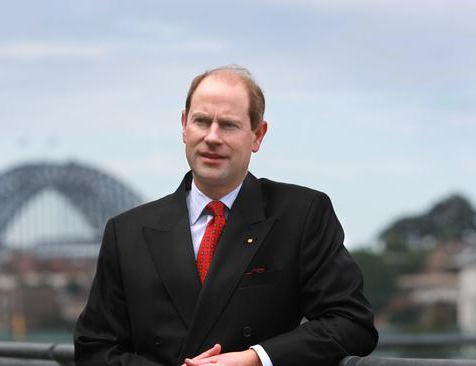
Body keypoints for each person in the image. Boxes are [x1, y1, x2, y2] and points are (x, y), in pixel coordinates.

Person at [74, 65, 378, 366]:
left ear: (258, 135)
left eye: (229, 125)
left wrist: (256, 359)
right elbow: (94, 349)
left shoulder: (302, 214)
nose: (212, 137)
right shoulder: (126, 232)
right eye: (202, 121)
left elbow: (352, 323)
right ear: (184, 125)